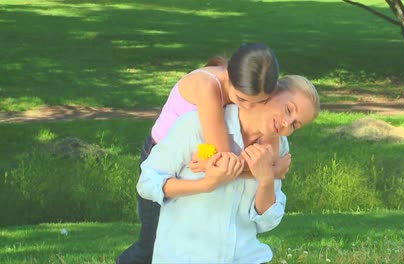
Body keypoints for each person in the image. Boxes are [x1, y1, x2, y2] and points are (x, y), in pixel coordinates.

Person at [117, 43, 286, 264]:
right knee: (151, 244)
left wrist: (267, 169)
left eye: (258, 103)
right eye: (241, 100)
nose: (247, 108)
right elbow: (224, 162)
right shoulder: (209, 87)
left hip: (198, 154)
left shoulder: (249, 85)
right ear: (229, 75)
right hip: (165, 158)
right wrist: (269, 172)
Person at [137, 75, 320, 263]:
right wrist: (206, 184)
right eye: (289, 110)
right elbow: (147, 182)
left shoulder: (278, 150)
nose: (286, 124)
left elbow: (267, 222)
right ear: (271, 92)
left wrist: (266, 179)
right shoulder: (196, 125)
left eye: (295, 125)